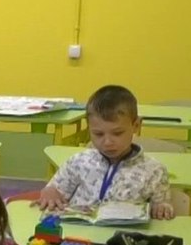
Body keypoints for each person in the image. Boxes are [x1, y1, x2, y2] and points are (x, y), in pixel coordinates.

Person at [37, 85, 174, 219]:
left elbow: (162, 206)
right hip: (78, 233)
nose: (107, 142)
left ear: (136, 126)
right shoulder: (79, 162)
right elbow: (54, 191)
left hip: (122, 236)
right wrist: (50, 192)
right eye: (98, 134)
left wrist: (161, 207)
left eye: (117, 133)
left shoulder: (154, 170)